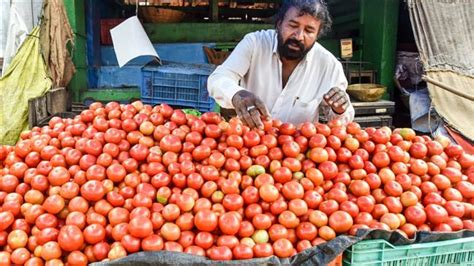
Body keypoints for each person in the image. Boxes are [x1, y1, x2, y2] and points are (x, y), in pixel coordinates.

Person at [207, 0, 354, 128]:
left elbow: (343, 120)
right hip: (250, 146)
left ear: (317, 36)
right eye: (293, 25)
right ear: (278, 24)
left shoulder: (328, 65)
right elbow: (218, 79)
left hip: (297, 154)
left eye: (309, 30)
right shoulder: (255, 43)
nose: (299, 36)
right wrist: (237, 95)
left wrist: (339, 109)